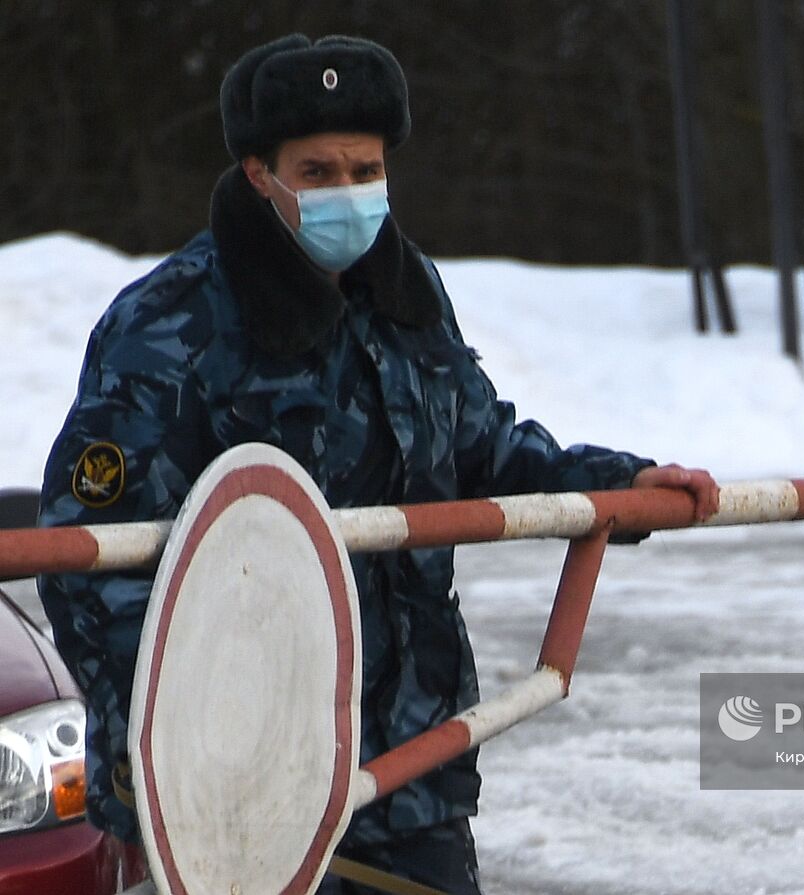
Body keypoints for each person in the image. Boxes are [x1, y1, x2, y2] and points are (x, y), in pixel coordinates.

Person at [37, 33, 719, 895]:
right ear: (260, 175)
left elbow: (481, 446)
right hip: (236, 797)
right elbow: (88, 553)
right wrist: (189, 743)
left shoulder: (409, 293)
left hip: (411, 769)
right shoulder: (169, 326)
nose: (348, 193)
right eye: (317, 173)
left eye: (364, 169)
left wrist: (620, 487)